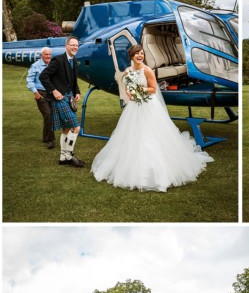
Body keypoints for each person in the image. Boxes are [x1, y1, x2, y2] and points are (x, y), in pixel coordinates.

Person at [91, 44, 213, 191]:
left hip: (149, 104)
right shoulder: (128, 72)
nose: (140, 56)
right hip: (134, 106)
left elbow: (153, 89)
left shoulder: (147, 70)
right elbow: (126, 87)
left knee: (151, 134)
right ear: (132, 56)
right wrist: (131, 93)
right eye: (137, 54)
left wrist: (141, 90)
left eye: (142, 53)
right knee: (132, 134)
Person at [39, 36, 84, 167]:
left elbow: (73, 80)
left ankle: (62, 157)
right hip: (60, 99)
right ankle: (69, 155)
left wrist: (77, 91)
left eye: (77, 45)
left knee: (66, 129)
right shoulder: (58, 60)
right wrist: (54, 91)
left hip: (69, 98)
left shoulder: (74, 61)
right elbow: (43, 76)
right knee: (76, 127)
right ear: (66, 46)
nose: (75, 47)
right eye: (72, 45)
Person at [26, 47, 55, 149]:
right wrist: (35, 92)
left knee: (50, 116)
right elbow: (29, 80)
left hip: (52, 93)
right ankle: (51, 140)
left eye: (49, 55)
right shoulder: (35, 66)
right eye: (46, 54)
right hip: (41, 93)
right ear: (41, 55)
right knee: (48, 114)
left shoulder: (53, 64)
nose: (48, 56)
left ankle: (46, 137)